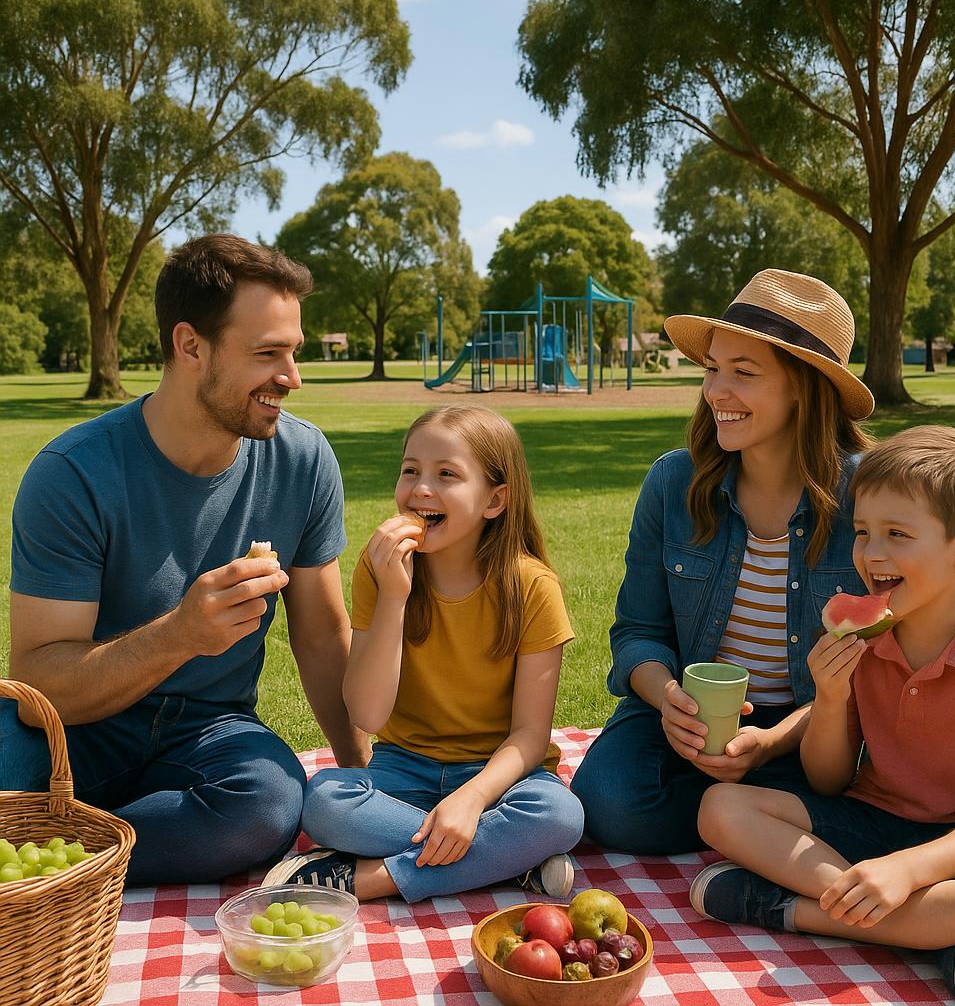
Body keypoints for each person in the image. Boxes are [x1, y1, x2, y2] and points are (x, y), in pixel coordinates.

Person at [3, 234, 369, 885]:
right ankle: (66, 841)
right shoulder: (73, 474)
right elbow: (38, 692)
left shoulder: (303, 461)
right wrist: (179, 635)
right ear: (190, 345)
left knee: (267, 806)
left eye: (293, 353)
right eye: (267, 354)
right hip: (77, 728)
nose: (292, 377)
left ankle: (60, 862)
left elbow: (320, 637)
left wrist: (363, 780)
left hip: (210, 732)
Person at [691, 427, 955, 1006]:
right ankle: (935, 935)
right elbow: (827, 781)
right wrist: (831, 697)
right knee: (721, 807)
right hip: (868, 822)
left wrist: (910, 870)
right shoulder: (864, 636)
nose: (871, 554)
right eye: (864, 532)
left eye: (897, 535)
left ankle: (790, 910)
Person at [570, 269, 875, 854]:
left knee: (849, 783)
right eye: (712, 369)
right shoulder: (672, 482)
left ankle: (747, 812)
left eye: (744, 373)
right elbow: (638, 632)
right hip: (683, 709)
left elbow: (880, 675)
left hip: (814, 724)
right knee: (608, 802)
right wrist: (669, 701)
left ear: (804, 388)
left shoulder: (869, 497)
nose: (716, 392)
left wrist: (773, 742)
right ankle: (760, 824)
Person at [263, 405, 585, 902]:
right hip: (404, 766)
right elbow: (368, 715)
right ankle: (509, 863)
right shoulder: (379, 572)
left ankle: (371, 879)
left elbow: (529, 735)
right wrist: (394, 597)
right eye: (410, 470)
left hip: (497, 775)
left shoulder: (532, 588)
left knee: (560, 815)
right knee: (325, 801)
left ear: (495, 500)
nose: (420, 489)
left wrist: (472, 800)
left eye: (447, 474)